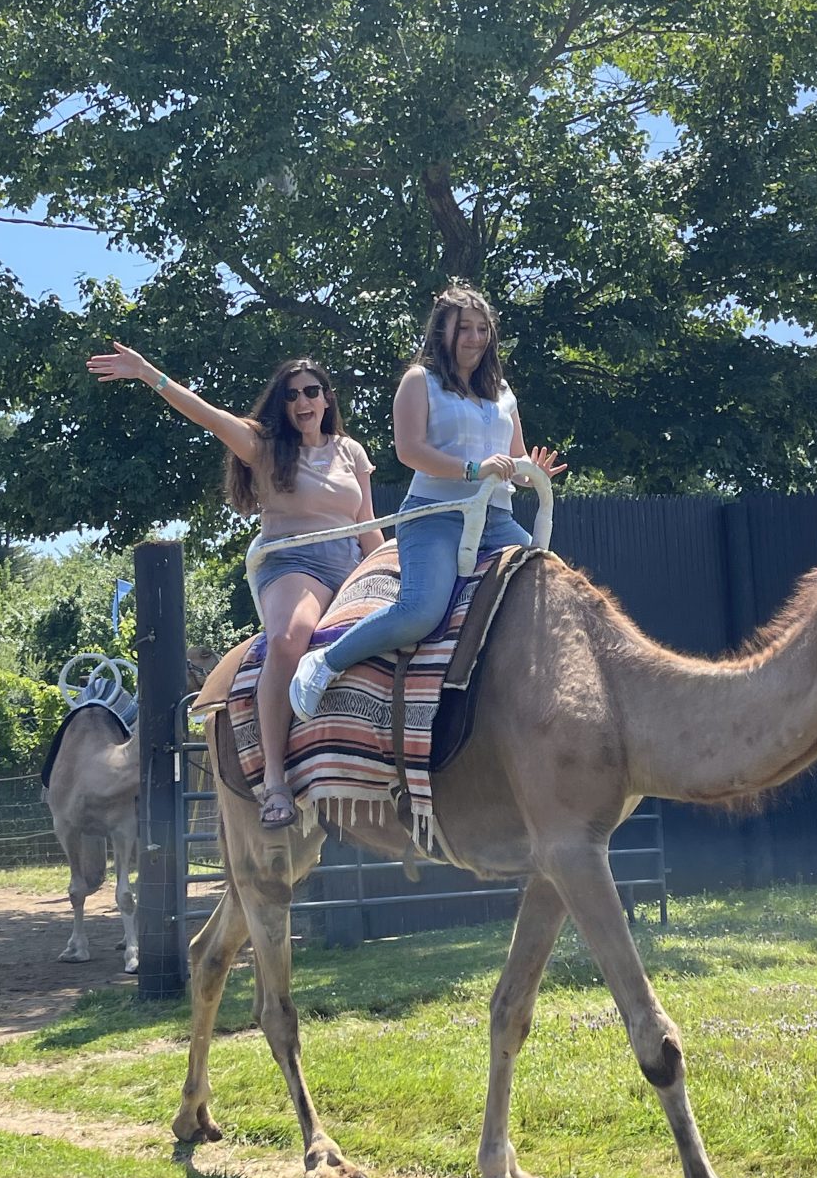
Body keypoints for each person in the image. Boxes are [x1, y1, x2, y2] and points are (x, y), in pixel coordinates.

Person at [86, 343, 382, 829]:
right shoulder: (264, 446)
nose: (303, 401)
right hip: (292, 562)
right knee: (290, 639)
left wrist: (390, 570)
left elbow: (368, 526)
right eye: (292, 395)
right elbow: (206, 415)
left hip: (349, 564)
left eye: (312, 391)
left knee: (408, 630)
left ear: (328, 399)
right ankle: (274, 781)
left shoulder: (350, 451)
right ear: (283, 405)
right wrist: (147, 374)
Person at [289, 284, 565, 719]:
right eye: (464, 329)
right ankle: (324, 662)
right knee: (421, 612)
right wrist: (473, 469)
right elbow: (409, 450)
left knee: (553, 584)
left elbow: (512, 457)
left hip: (496, 518)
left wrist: (533, 473)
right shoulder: (420, 381)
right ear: (443, 334)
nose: (475, 338)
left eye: (482, 329)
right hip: (435, 516)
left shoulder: (503, 392)